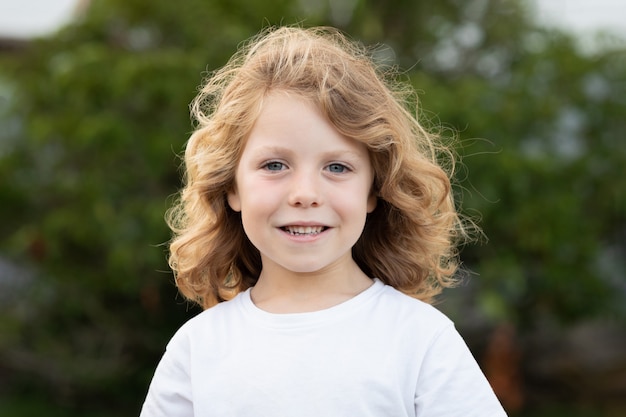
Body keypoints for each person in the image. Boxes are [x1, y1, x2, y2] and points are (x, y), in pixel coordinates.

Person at [140, 25, 507, 417]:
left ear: (373, 190)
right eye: (275, 165)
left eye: (336, 166)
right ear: (231, 186)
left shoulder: (420, 339)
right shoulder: (197, 351)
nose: (305, 193)